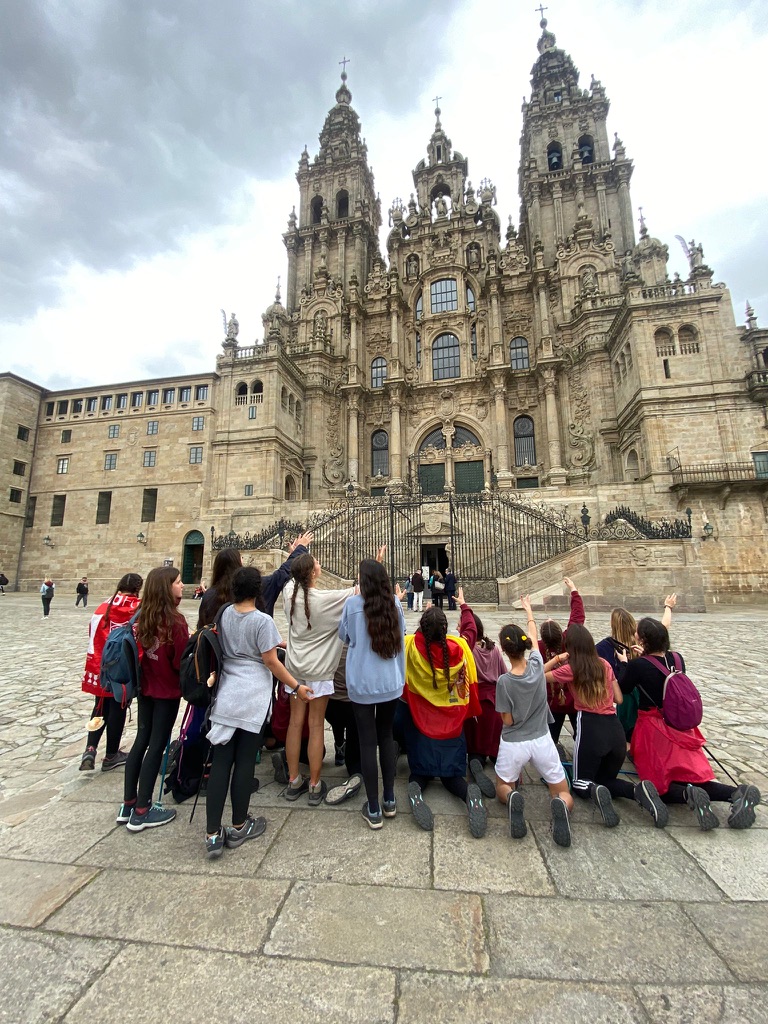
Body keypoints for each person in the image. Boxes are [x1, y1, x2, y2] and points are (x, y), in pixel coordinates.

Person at [616, 616, 761, 830]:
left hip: (653, 729)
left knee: (659, 786)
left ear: (644, 640)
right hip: (681, 726)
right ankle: (735, 793)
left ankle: (688, 794)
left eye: (638, 633)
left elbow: (624, 689)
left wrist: (626, 665)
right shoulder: (677, 658)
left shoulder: (638, 665)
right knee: (695, 775)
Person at [204, 567, 304, 858]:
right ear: (257, 591)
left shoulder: (224, 614)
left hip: (227, 695)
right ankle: (238, 825)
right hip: (251, 699)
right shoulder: (263, 620)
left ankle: (212, 834)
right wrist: (297, 687)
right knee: (245, 762)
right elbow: (272, 663)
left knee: (222, 762)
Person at [545, 623, 668, 828]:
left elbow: (535, 676)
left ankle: (595, 792)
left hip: (591, 728)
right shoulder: (605, 664)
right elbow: (619, 698)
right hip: (615, 730)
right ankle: (637, 791)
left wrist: (557, 659)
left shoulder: (572, 668)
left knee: (580, 783)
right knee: (607, 779)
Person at [398, 588, 488, 838]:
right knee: (453, 778)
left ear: (422, 630)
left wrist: (398, 602)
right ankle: (467, 793)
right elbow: (471, 633)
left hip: (422, 723)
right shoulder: (459, 647)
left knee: (420, 773)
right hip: (452, 726)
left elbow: (397, 635)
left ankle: (416, 790)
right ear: (446, 629)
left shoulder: (410, 647)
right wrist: (465, 607)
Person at [495, 596, 574, 848]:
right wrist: (529, 611)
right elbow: (533, 637)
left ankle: (513, 797)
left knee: (502, 786)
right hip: (542, 739)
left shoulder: (504, 682)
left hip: (515, 741)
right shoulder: (537, 665)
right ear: (525, 646)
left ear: (504, 651)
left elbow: (507, 720)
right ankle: (561, 805)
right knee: (561, 789)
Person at [118, 566, 189, 832]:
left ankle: (128, 804)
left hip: (145, 690)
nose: (183, 586)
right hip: (166, 692)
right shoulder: (175, 621)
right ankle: (143, 810)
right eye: (179, 583)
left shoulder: (142, 616)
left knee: (141, 742)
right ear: (166, 587)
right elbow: (181, 662)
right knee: (157, 745)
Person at [282, 552, 355, 804]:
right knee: (315, 727)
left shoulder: (288, 594)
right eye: (316, 563)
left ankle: (293, 780)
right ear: (312, 573)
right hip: (319, 673)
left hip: (294, 671)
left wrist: (297, 550)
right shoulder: (325, 600)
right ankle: (314, 785)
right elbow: (357, 592)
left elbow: (290, 578)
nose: (320, 565)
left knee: (295, 723)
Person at [339, 557, 406, 828]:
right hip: (390, 683)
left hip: (362, 685)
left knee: (367, 743)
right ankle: (389, 799)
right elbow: (401, 632)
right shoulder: (396, 605)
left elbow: (344, 637)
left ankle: (374, 807)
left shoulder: (352, 606)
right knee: (386, 735)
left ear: (362, 582)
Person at [79, 572, 143, 772]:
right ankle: (111, 754)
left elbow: (93, 633)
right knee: (118, 707)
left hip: (101, 664)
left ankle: (90, 749)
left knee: (99, 707)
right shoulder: (138, 607)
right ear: (137, 589)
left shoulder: (104, 605)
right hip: (122, 667)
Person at [595, 596, 676, 740]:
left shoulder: (605, 646)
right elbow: (664, 627)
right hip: (645, 695)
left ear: (612, 625)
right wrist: (668, 607)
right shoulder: (642, 640)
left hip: (626, 696)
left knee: (627, 730)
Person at [465, 612, 507, 797]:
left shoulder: (469, 650)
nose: (458, 628)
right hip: (494, 704)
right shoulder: (494, 648)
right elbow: (504, 674)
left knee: (476, 747)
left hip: (476, 703)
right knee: (495, 744)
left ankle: (477, 763)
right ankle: (504, 768)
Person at [539, 577, 585, 744]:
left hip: (552, 703)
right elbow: (577, 618)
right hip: (574, 699)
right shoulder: (568, 641)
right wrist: (573, 590)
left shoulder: (539, 648)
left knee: (550, 739)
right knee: (581, 735)